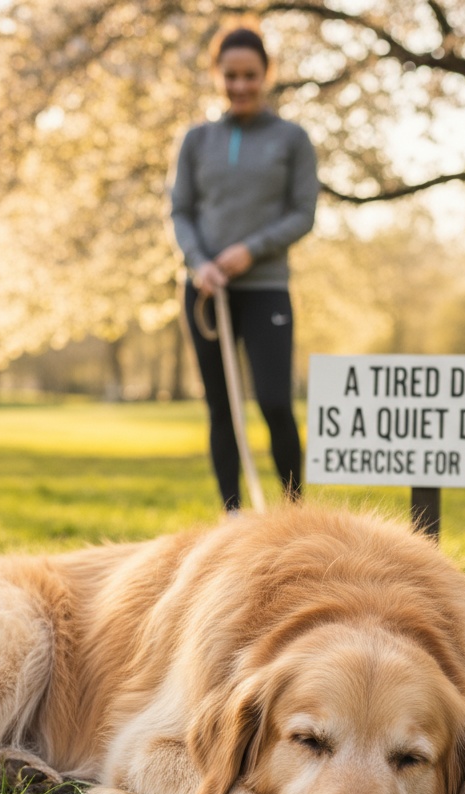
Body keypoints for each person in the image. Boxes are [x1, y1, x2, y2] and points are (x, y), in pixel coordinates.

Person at [169, 24, 319, 511]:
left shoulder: (292, 139)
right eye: (230, 76)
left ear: (267, 74)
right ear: (217, 75)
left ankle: (295, 512)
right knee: (222, 410)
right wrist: (200, 263)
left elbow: (303, 213)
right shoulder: (196, 140)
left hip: (265, 289)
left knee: (275, 402)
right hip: (208, 293)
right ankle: (232, 519)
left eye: (250, 76)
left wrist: (250, 250)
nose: (240, 86)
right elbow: (181, 211)